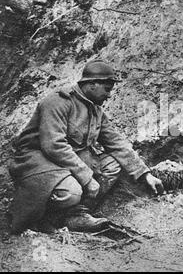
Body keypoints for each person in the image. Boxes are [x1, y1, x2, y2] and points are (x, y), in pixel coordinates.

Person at [9, 59, 163, 233]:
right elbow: (53, 145)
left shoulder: (96, 111)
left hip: (69, 161)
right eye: (107, 89)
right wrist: (87, 178)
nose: (109, 95)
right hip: (38, 161)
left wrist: (145, 174)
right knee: (71, 192)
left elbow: (117, 143)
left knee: (113, 165)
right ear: (92, 84)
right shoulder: (58, 101)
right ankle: (47, 219)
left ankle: (76, 215)